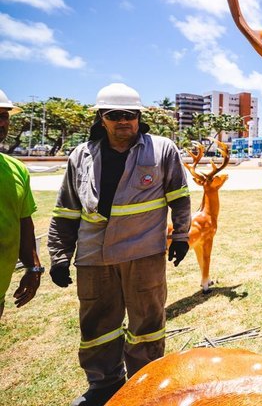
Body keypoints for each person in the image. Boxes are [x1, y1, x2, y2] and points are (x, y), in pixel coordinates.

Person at [47, 83, 191, 406]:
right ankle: (104, 386)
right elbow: (66, 210)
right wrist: (59, 255)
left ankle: (145, 384)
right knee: (98, 327)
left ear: (140, 117)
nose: (123, 121)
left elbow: (180, 196)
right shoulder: (80, 157)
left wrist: (181, 235)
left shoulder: (162, 150)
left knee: (147, 326)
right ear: (101, 118)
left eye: (130, 115)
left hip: (143, 255)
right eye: (115, 115)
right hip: (94, 258)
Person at [0, 88, 42, 320]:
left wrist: (33, 267)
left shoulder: (16, 169)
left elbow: (24, 222)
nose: (1, 123)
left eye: (3, 115)